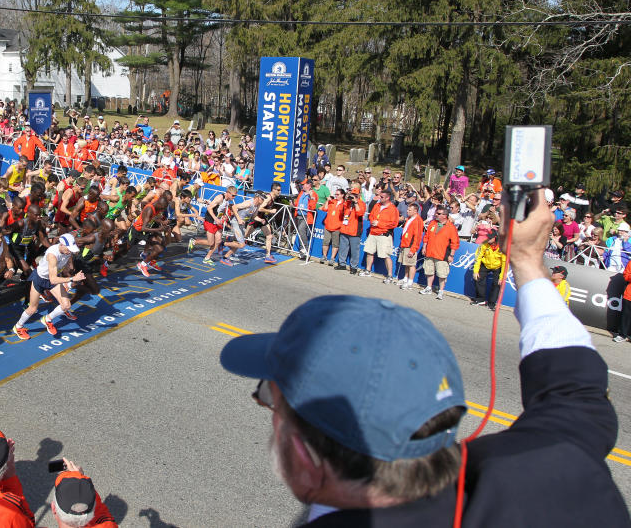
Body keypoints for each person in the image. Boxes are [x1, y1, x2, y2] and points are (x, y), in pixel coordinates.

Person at [219, 190, 630, 527]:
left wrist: (524, 260)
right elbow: (575, 392)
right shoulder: (556, 470)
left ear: (307, 459)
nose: (266, 402)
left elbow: (576, 396)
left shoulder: (559, 456)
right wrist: (526, 259)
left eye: (270, 396)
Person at [12, 234, 85, 340]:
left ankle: (47, 319)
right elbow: (53, 279)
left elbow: (68, 258)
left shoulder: (67, 251)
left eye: (71, 250)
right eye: (69, 249)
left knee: (66, 305)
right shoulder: (52, 255)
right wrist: (72, 279)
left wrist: (70, 265)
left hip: (52, 279)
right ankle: (18, 327)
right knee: (32, 309)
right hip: (40, 279)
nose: (70, 251)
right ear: (62, 244)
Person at [50, 461, 118, 528]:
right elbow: (97, 507)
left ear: (53, 508)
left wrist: (76, 476)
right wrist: (78, 478)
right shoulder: (108, 525)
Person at [419, 204, 460, 300]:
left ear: (445, 216)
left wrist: (451, 255)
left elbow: (455, 242)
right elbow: (426, 236)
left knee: (442, 274)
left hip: (442, 254)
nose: (436, 214)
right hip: (430, 251)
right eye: (436, 213)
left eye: (438, 213)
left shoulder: (451, 227)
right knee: (429, 270)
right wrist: (424, 247)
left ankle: (441, 291)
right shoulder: (433, 223)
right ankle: (429, 287)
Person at [359, 190, 399, 278]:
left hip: (383, 234)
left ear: (388, 198)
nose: (379, 198)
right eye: (380, 196)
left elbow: (394, 223)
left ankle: (389, 275)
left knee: (386, 255)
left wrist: (379, 223)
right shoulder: (377, 205)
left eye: (382, 197)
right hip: (373, 232)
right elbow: (371, 215)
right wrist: (372, 220)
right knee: (369, 252)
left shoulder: (393, 209)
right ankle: (367, 270)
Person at [471, 229, 507, 310]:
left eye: (490, 238)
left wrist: (501, 277)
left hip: (497, 266)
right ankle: (481, 299)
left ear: (495, 237)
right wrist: (475, 271)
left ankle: (492, 303)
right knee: (478, 277)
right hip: (486, 264)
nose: (488, 239)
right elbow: (478, 257)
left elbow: (505, 263)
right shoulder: (484, 244)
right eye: (488, 237)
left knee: (497, 283)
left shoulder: (502, 246)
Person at [396, 203, 424, 289]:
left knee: (411, 264)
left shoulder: (418, 221)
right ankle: (405, 278)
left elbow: (418, 237)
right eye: (408, 210)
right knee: (406, 263)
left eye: (409, 210)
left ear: (415, 211)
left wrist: (413, 249)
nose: (407, 211)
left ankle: (410, 282)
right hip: (405, 244)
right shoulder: (410, 219)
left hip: (411, 245)